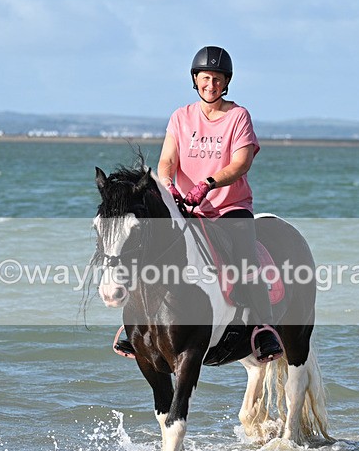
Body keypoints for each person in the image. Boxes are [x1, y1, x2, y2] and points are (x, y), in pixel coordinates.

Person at [115, 45, 283, 363]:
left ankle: (263, 329)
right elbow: (167, 160)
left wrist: (208, 184)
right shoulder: (181, 117)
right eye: (205, 78)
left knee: (245, 261)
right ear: (195, 79)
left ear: (227, 82)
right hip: (186, 207)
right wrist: (167, 186)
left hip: (229, 208)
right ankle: (134, 327)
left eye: (217, 79)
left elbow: (241, 163)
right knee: (148, 250)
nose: (211, 85)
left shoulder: (238, 117)